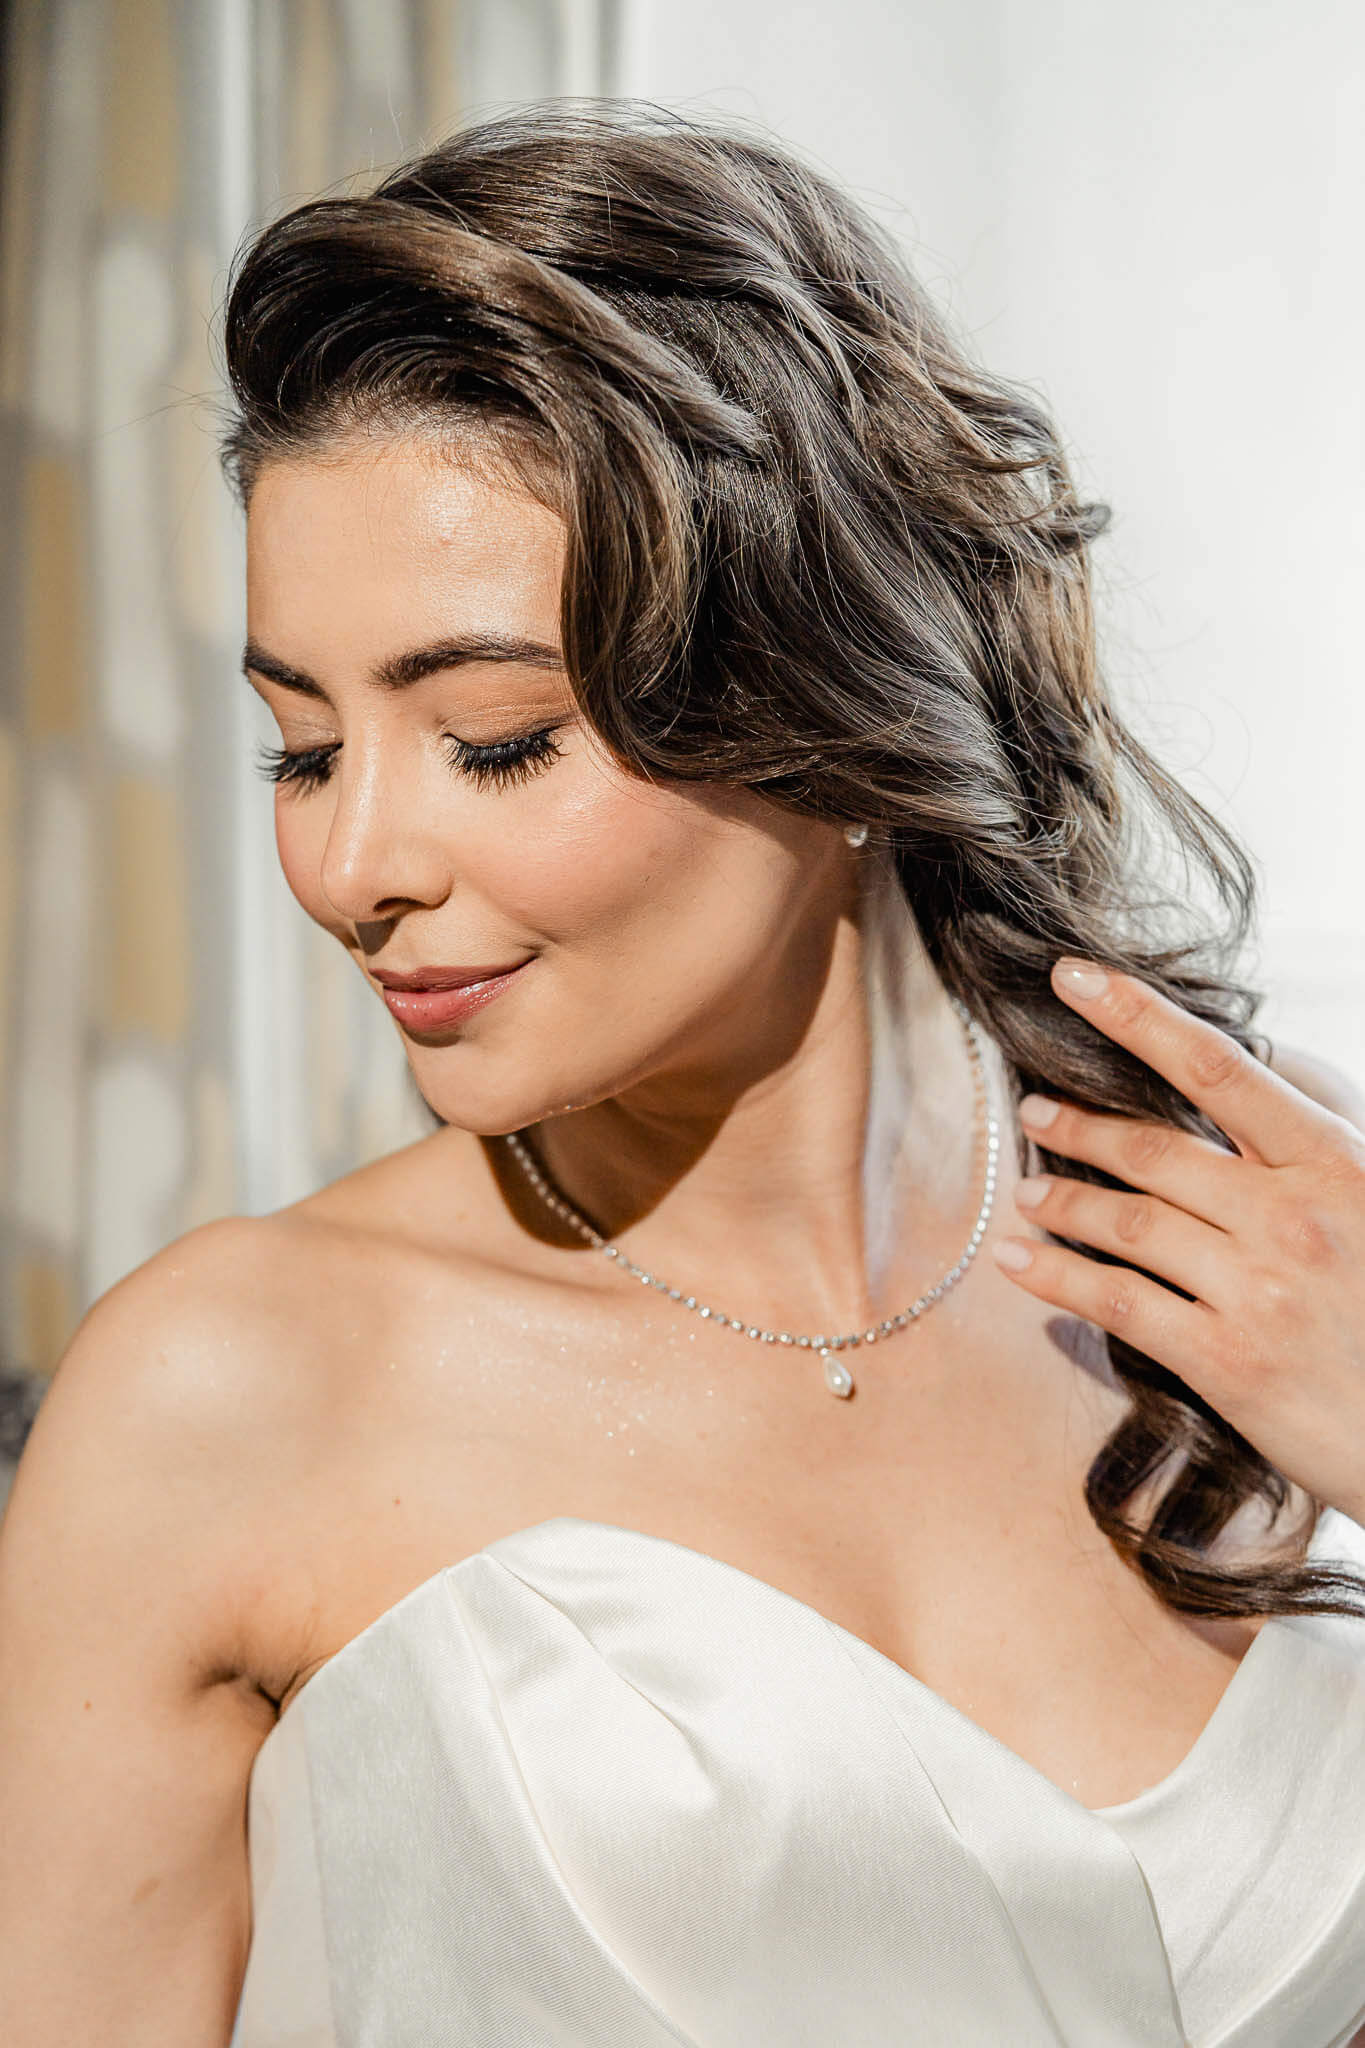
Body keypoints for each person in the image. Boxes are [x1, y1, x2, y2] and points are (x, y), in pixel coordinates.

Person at [2, 99, 1364, 2048]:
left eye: (486, 739)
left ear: (825, 694)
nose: (353, 863)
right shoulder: (223, 1395)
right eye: (303, 747)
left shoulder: (1257, 1227)